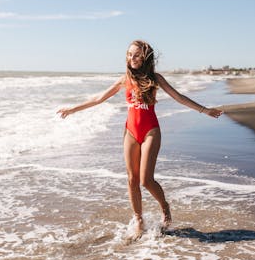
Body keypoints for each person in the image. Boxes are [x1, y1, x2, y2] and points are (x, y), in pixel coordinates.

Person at [57, 40, 223, 238]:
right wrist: (72, 109)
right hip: (130, 132)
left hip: (150, 131)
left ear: (145, 57)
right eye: (129, 55)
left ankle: (165, 207)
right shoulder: (124, 79)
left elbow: (178, 97)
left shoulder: (155, 78)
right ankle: (139, 220)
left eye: (136, 55)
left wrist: (205, 110)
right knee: (131, 179)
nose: (131, 58)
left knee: (146, 179)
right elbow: (99, 98)